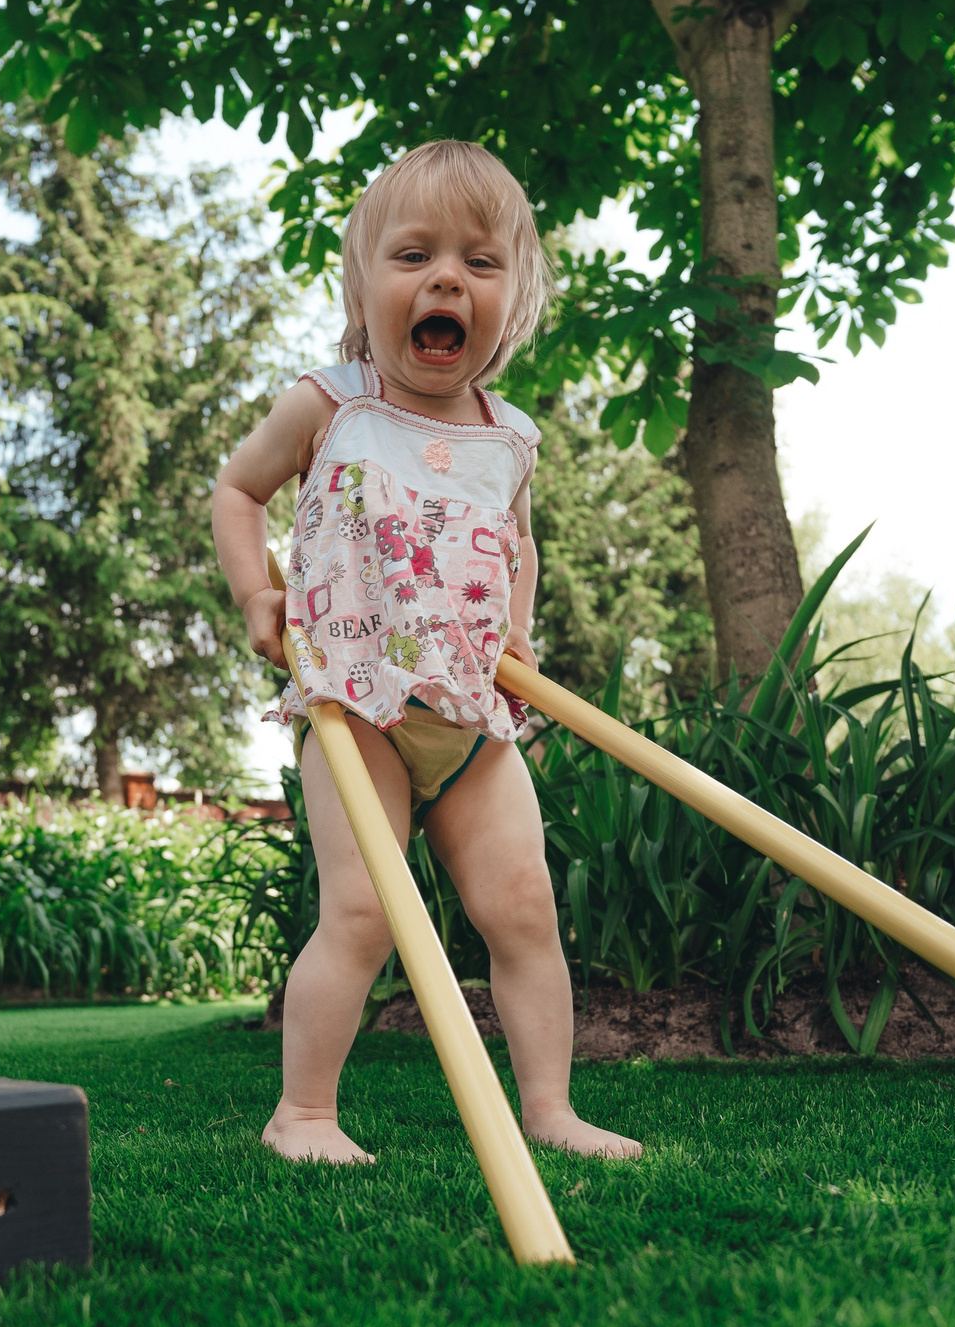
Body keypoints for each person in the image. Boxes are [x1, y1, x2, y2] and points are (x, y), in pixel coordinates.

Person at [212, 140, 640, 1165]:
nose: (447, 277)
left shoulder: (511, 439)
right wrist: (255, 590)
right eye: (413, 256)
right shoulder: (331, 404)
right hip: (356, 706)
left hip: (473, 715)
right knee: (364, 911)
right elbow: (236, 490)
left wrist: (520, 627)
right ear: (363, 285)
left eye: (480, 264)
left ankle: (550, 1110)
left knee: (525, 911)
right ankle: (303, 1115)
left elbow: (517, 543)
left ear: (513, 297)